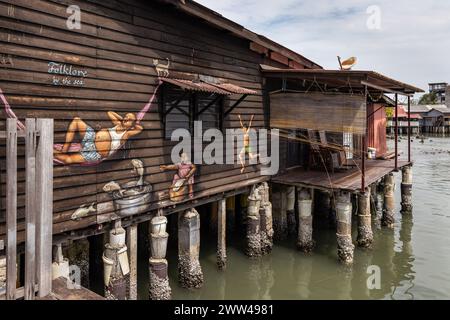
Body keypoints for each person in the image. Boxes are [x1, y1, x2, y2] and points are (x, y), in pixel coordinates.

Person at [54, 111, 143, 165]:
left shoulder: (126, 134)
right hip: (91, 138)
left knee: (68, 160)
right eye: (126, 116)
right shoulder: (117, 124)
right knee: (77, 120)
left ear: (132, 125)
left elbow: (140, 128)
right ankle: (65, 148)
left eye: (129, 119)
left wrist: (132, 123)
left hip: (94, 152)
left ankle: (49, 151)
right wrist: (122, 119)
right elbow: (110, 113)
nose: (126, 119)